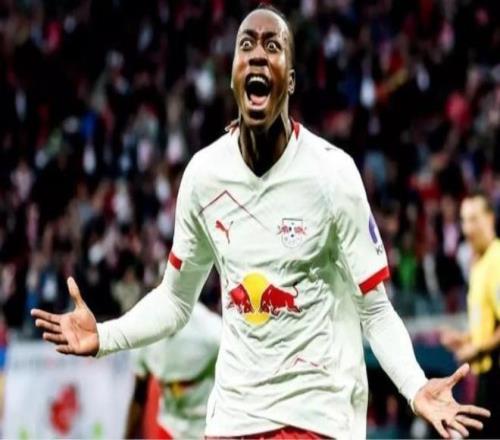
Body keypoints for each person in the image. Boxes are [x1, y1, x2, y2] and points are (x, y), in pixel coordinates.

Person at [32, 5, 490, 439]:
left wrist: (414, 386)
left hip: (314, 415)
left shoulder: (332, 175)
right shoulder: (205, 176)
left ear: (289, 80)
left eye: (273, 46)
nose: (257, 53)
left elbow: (374, 309)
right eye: (246, 44)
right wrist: (105, 335)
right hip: (232, 418)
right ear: (233, 74)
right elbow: (175, 299)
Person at [440, 190, 500, 438]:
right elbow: (489, 325)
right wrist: (465, 338)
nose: (468, 228)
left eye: (474, 219)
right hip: (485, 379)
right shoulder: (478, 266)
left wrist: (476, 349)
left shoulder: (497, 259)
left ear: (490, 218)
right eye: (464, 220)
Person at [125, 301, 221, 439]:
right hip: (170, 425)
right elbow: (139, 394)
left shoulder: (212, 331)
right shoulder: (143, 334)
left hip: (208, 425)